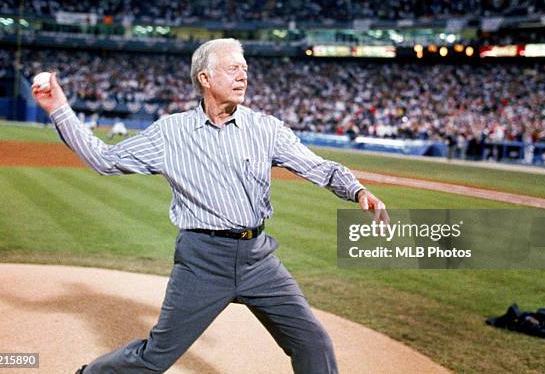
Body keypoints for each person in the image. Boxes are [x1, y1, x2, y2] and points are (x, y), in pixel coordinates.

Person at [31, 38, 387, 374]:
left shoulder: (266, 128)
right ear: (205, 77)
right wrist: (59, 109)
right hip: (202, 260)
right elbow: (104, 159)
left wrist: (355, 190)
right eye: (233, 68)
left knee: (313, 341)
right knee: (155, 357)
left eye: (245, 68)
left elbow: (318, 166)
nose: (243, 75)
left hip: (258, 258)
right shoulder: (171, 133)